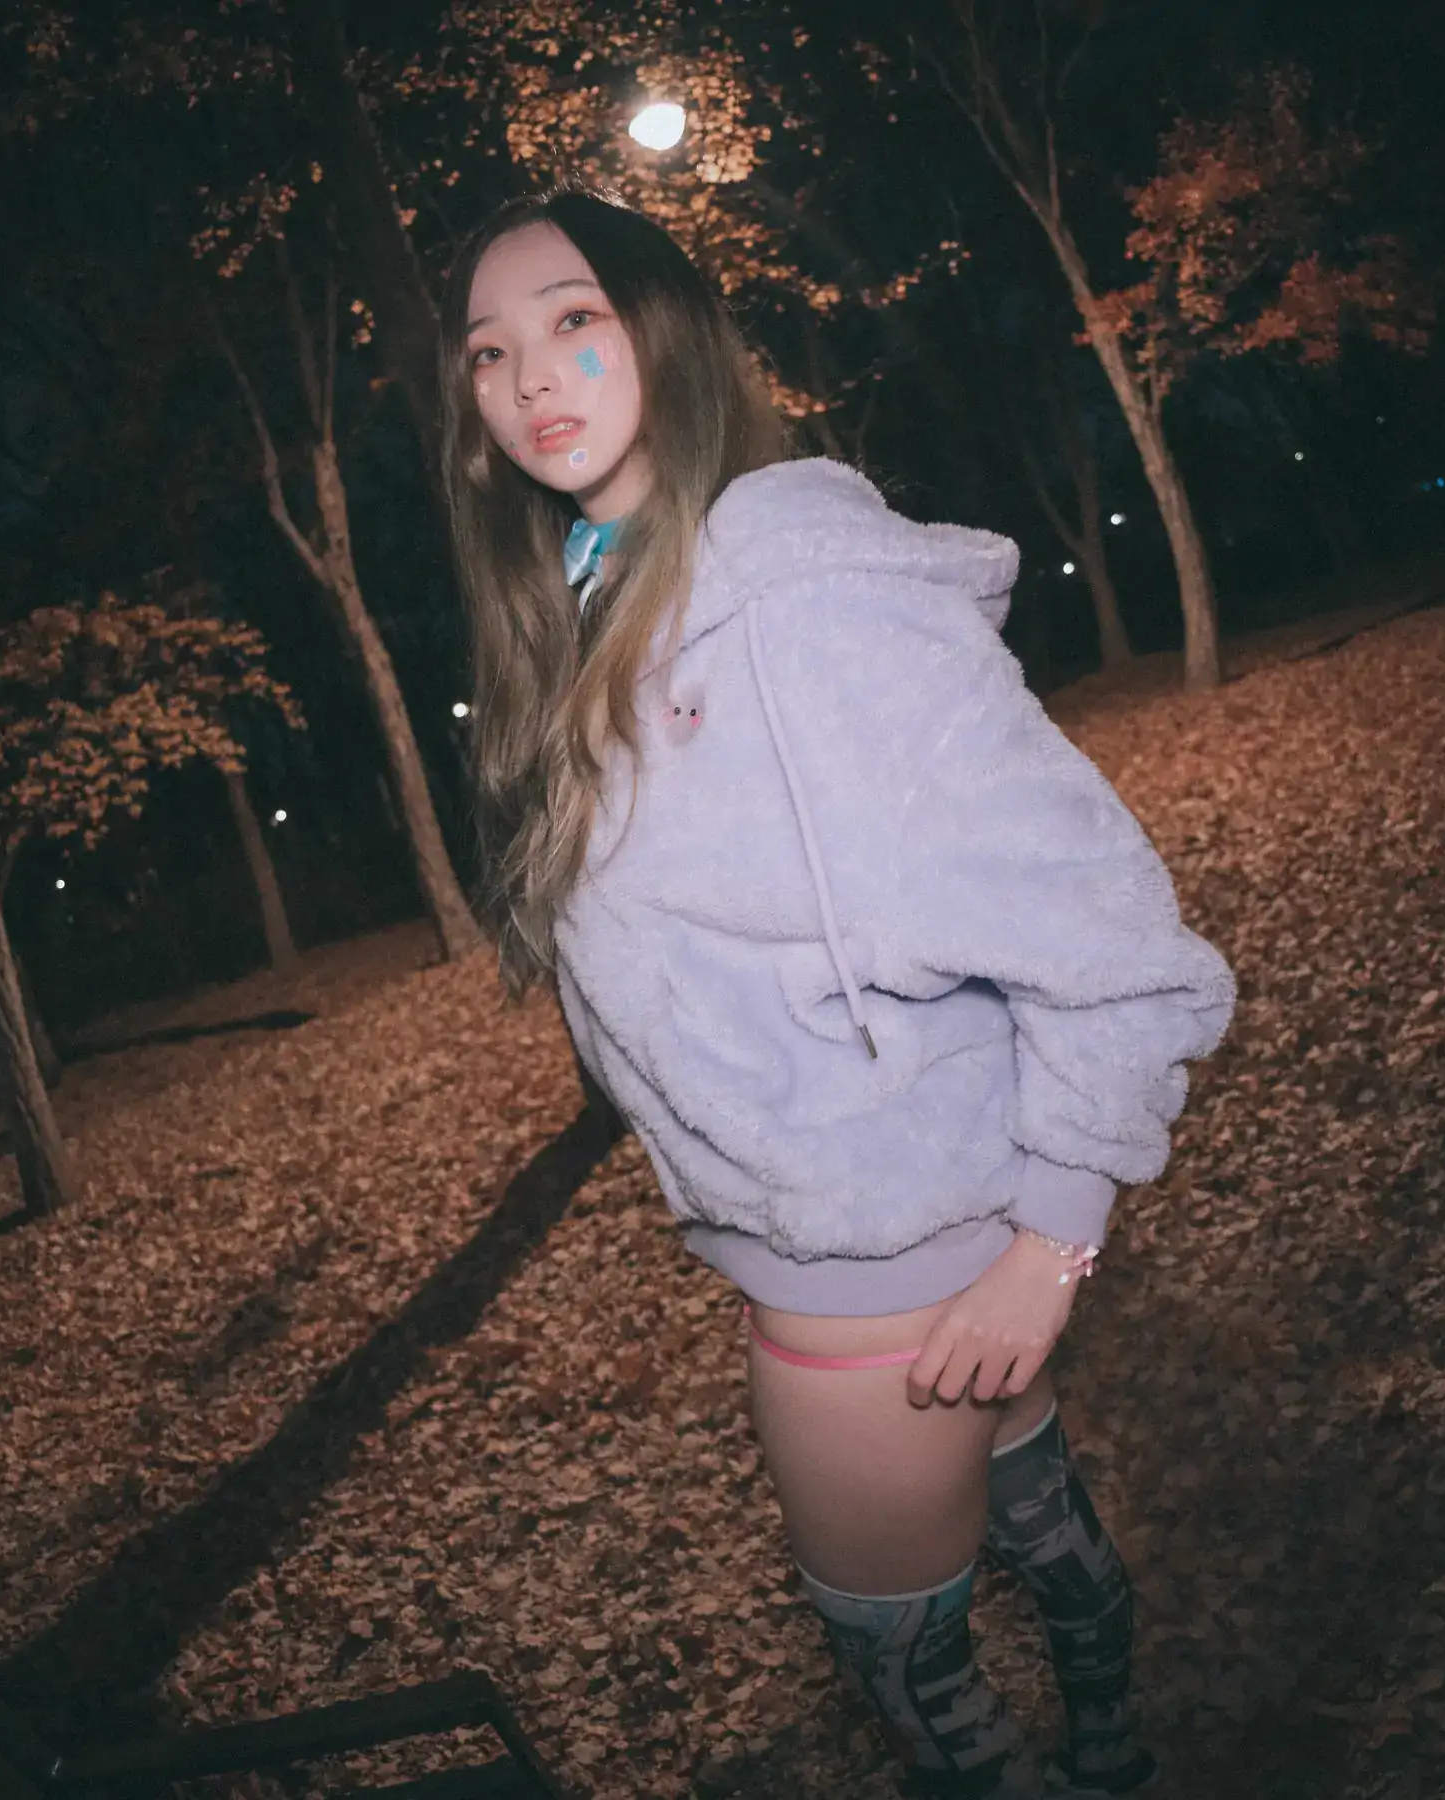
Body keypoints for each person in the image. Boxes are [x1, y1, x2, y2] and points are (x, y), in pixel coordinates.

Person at [439, 187, 1236, 1799]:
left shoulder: (799, 602)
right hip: (911, 1216)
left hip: (874, 1273)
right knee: (1036, 1513)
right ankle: (1122, 1756)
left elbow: (1112, 943)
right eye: (489, 351)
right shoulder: (607, 595)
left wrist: (1054, 1242)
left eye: (576, 319)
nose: (531, 378)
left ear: (669, 331)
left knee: (904, 1669)